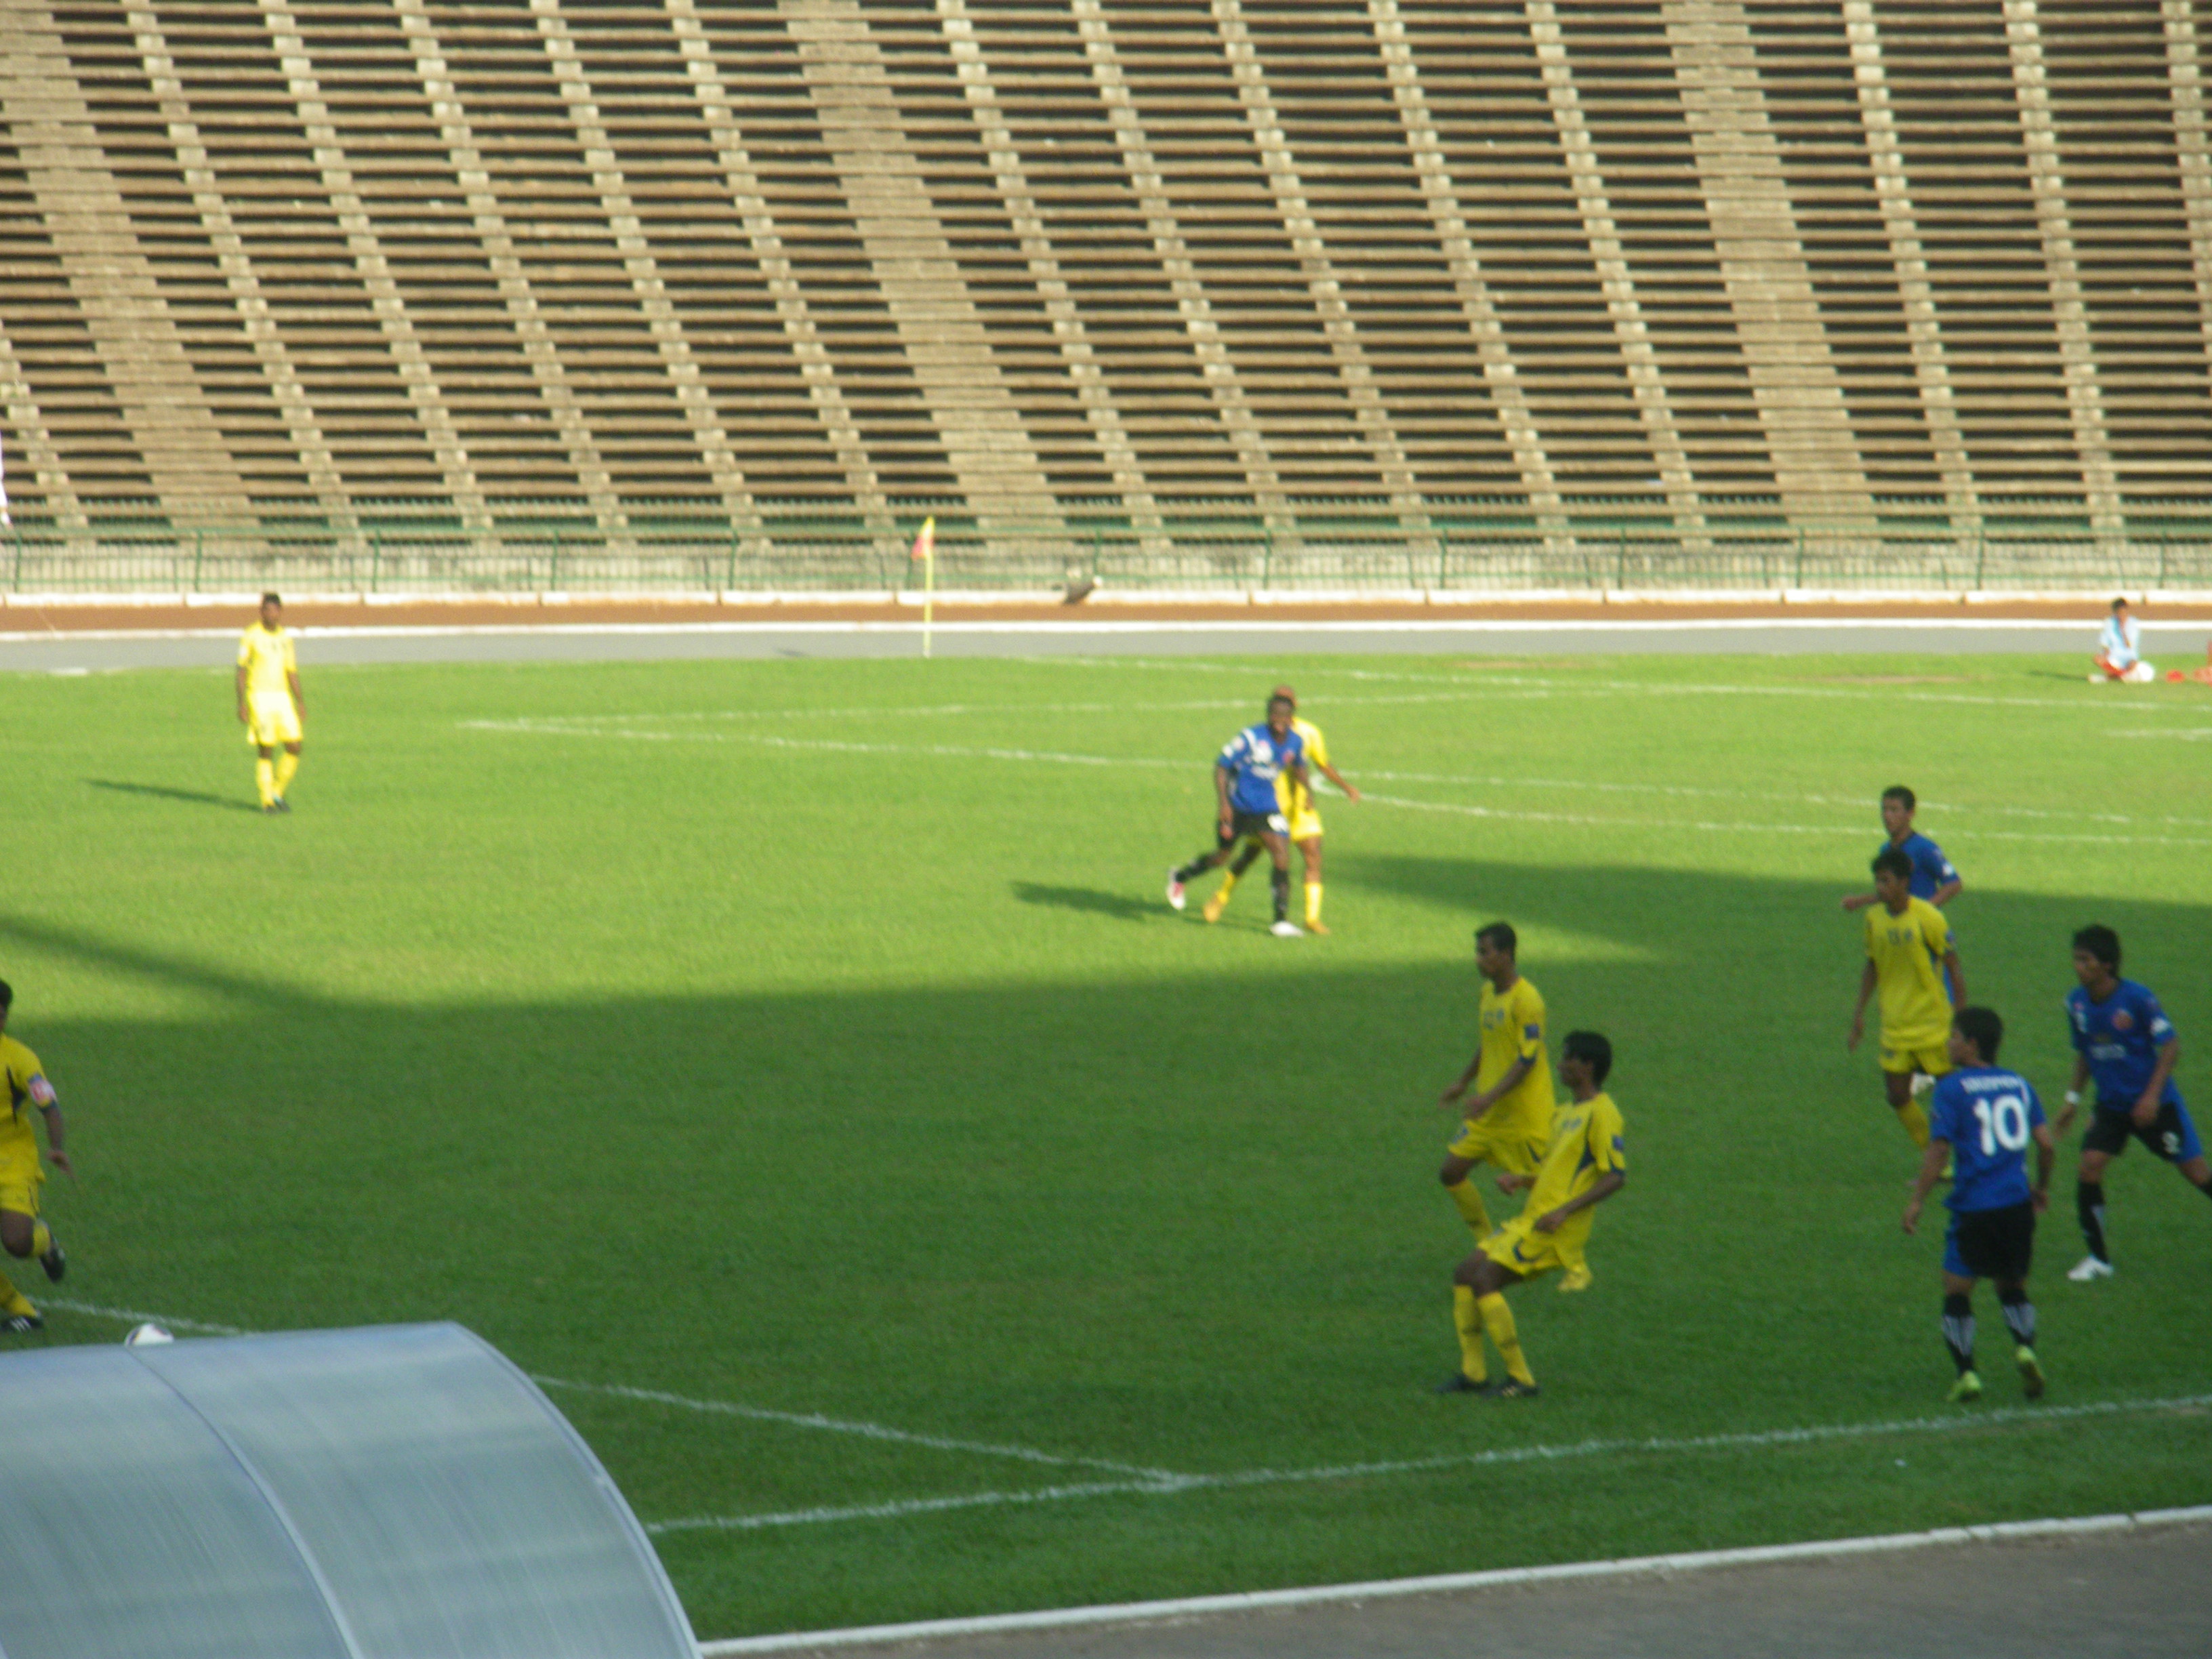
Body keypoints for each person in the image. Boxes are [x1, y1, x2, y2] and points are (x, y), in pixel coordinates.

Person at [1438, 1030, 1626, 1397]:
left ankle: (1521, 1379)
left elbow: (1615, 1176)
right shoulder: (1565, 1113)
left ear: (1586, 1067)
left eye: (1567, 1059)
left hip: (1556, 1228)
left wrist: (1563, 1212)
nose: (1559, 1065)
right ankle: (1473, 1373)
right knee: (1465, 1274)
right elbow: (1557, 1167)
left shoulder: (1604, 1114)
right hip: (1531, 1219)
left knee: (1485, 1281)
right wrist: (1522, 1180)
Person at [1904, 1007, 2055, 1403]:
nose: (1947, 1043)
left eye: (1953, 1037)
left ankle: (1967, 1373)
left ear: (1972, 1045)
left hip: (1974, 1207)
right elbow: (2047, 1143)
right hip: (2016, 1205)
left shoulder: (1952, 1089)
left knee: (1957, 1290)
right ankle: (2025, 1347)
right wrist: (2041, 1186)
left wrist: (1918, 1199)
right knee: (2012, 1286)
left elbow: (1938, 1150)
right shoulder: (2019, 1084)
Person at [1435, 923, 1590, 1290]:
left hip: (1524, 1117)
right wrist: (1463, 1081)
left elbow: (1527, 1061)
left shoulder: (1528, 1001)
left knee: (1546, 1193)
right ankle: (1488, 1241)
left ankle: (1575, 1263)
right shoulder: (1488, 994)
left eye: (1485, 952)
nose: (1479, 959)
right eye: (1478, 952)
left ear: (1506, 954)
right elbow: (1488, 1044)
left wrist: (1487, 1096)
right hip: (1488, 1114)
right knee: (1450, 1172)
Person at [2056, 926, 2211, 1282]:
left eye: (2086, 960)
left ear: (2107, 965)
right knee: (2089, 1167)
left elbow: (2170, 1047)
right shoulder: (2076, 1003)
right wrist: (2072, 1099)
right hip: (2111, 1106)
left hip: (2154, 1106)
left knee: (2197, 1173)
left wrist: (2151, 1097)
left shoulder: (2138, 999)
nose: (2079, 966)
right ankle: (2099, 1259)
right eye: (2077, 958)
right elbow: (2085, 1052)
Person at [1202, 686, 1360, 933]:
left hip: (1301, 810)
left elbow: (1321, 763)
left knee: (1314, 855)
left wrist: (1344, 787)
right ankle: (1220, 897)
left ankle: (1312, 918)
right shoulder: (1264, 735)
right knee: (1248, 858)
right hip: (1270, 806)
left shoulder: (1309, 733)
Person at [1849, 848, 1967, 1155]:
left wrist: (1961, 1019)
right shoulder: (1873, 919)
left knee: (1953, 1094)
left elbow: (1954, 967)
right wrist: (1859, 1013)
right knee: (1898, 1095)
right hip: (1895, 1024)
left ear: (1905, 882)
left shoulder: (1928, 917)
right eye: (1877, 881)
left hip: (1931, 1022)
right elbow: (1872, 965)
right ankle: (1937, 1159)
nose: (1880, 888)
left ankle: (1969, 1155)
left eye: (1886, 881)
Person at [1166, 693, 1310, 937]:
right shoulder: (1251, 738)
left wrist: (1306, 792)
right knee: (1222, 857)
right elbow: (1221, 766)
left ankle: (1280, 921)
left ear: (1291, 718)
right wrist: (1224, 804)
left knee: (1282, 855)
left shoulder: (1295, 742)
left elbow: (1299, 766)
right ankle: (1180, 876)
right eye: (1273, 715)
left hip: (1266, 807)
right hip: (1237, 807)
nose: (1278, 720)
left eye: (1283, 716)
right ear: (1268, 715)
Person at [0, 981, 72, 1333]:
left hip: (12, 1160)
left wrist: (57, 1147)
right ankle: (23, 1311)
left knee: (17, 1242)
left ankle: (47, 1243)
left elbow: (50, 1107)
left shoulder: (20, 1059)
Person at [1839, 786, 1961, 916]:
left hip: (1923, 929)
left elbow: (1954, 884)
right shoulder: (1885, 850)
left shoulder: (1924, 848)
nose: (1887, 816)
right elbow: (1890, 893)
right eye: (1884, 809)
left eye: (1894, 810)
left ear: (1910, 813)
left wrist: (1924, 911)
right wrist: (1860, 901)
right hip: (1898, 928)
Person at [237, 592, 304, 813]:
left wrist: (300, 701)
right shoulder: (251, 636)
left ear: (280, 612)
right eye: (267, 610)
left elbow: (291, 670)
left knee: (295, 746)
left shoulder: (285, 638)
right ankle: (267, 800)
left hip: (282, 698)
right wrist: (242, 703)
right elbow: (241, 670)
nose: (271, 614)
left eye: (275, 610)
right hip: (260, 697)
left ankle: (277, 791)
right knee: (266, 749)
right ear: (261, 612)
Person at [2091, 597, 2155, 682]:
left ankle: (2109, 678)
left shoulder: (2133, 623)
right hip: (2114, 656)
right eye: (2118, 612)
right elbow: (2105, 643)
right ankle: (2124, 676)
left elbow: (2130, 646)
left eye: (2122, 612)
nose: (2121, 615)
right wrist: (2105, 655)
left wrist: (2123, 631)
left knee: (2133, 664)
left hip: (2129, 657)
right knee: (2097, 659)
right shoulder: (2110, 623)